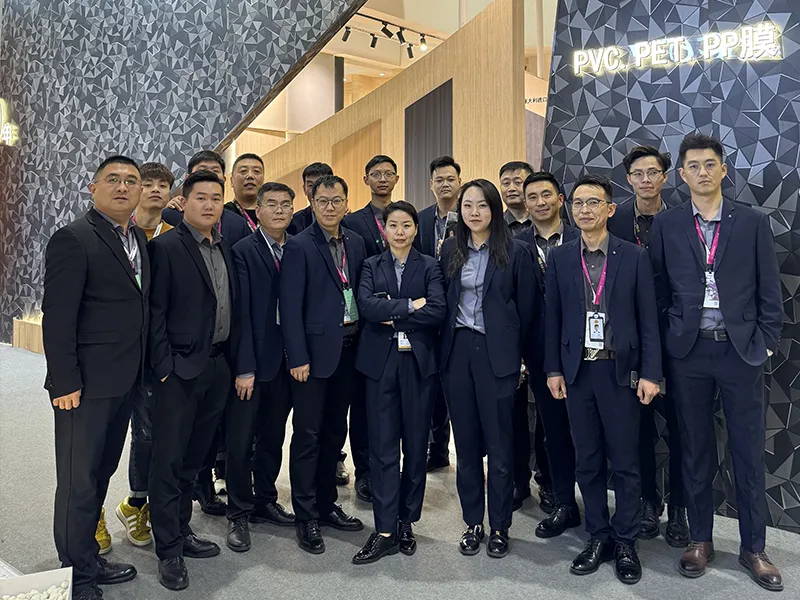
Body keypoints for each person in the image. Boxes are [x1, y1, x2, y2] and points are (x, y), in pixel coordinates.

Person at [650, 133, 783, 592]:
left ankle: (754, 548)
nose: (702, 172)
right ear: (681, 174)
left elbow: (770, 289)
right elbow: (658, 289)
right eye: (693, 165)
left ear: (723, 169)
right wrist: (667, 343)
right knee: (695, 449)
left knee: (747, 451)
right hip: (688, 353)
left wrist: (766, 344)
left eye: (710, 164)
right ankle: (700, 540)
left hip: (740, 351)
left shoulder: (752, 222)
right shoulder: (667, 225)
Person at [545, 174, 662, 585]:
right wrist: (553, 368)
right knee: (588, 458)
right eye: (578, 203)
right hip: (578, 372)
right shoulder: (560, 258)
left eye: (593, 202)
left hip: (620, 372)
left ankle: (626, 539)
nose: (585, 210)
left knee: (626, 460)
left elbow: (649, 320)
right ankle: (598, 534)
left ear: (610, 209)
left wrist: (651, 373)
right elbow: (553, 317)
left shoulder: (633, 256)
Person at [42, 155, 146, 600]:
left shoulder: (137, 238)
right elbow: (58, 317)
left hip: (124, 380)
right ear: (93, 188)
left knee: (101, 473)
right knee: (78, 483)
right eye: (113, 179)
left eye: (131, 180)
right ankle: (77, 578)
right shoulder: (74, 238)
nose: (123, 187)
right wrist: (64, 380)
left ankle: (87, 556)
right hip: (83, 387)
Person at [147, 170, 237, 591]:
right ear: (184, 202)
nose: (209, 204)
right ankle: (167, 549)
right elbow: (154, 313)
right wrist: (164, 367)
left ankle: (182, 529)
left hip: (216, 367)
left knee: (194, 458)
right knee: (168, 461)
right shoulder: (165, 247)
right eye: (201, 197)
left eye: (216, 198)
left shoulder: (225, 247)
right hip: (178, 371)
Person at [440, 179, 537, 558]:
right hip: (458, 353)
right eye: (467, 205)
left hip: (498, 355)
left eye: (482, 205)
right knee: (465, 447)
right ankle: (472, 523)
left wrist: (522, 359)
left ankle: (499, 526)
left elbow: (528, 312)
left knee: (499, 446)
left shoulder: (516, 251)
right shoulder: (450, 249)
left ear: (494, 209)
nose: (474, 212)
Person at [352, 202, 447, 564]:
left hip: (418, 364)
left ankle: (407, 520)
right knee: (383, 448)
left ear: (415, 229)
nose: (400, 232)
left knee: (417, 446)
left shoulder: (431, 266)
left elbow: (437, 309)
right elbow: (367, 307)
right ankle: (384, 529)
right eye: (393, 225)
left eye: (406, 225)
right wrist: (410, 306)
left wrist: (391, 309)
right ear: (384, 230)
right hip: (380, 365)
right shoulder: (370, 265)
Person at [280, 175, 367, 554]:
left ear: (347, 203)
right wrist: (297, 356)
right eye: (323, 201)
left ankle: (327, 503)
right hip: (312, 358)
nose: (330, 207)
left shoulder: (356, 242)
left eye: (337, 200)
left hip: (348, 352)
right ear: (312, 204)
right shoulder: (299, 245)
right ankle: (306, 515)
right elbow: (289, 307)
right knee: (308, 435)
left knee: (334, 433)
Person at [609, 145, 688, 546]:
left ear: (665, 177)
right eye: (638, 174)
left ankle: (680, 508)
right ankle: (647, 502)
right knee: (636, 427)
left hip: (677, 338)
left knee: (682, 427)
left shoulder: (683, 220)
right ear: (628, 180)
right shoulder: (614, 220)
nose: (645, 180)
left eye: (653, 172)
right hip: (631, 339)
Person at [225, 182, 296, 553]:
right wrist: (245, 367)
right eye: (272, 204)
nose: (279, 211)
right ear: (259, 211)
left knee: (272, 436)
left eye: (286, 204)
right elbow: (241, 315)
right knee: (241, 441)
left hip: (287, 362)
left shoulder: (297, 247)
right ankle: (238, 511)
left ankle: (265, 499)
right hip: (252, 364)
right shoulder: (243, 250)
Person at [108, 162, 174, 553]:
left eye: (162, 185)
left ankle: (136, 503)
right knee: (102, 436)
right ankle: (91, 511)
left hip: (155, 354)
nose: (154, 190)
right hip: (115, 354)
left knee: (147, 433)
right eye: (146, 184)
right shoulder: (118, 233)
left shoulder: (174, 234)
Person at [517, 171, 581, 538]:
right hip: (540, 353)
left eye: (546, 195)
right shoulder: (515, 246)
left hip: (585, 350)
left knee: (589, 429)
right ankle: (563, 501)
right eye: (533, 197)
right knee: (553, 428)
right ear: (525, 205)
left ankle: (598, 503)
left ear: (560, 199)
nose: (540, 202)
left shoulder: (582, 237)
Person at [498, 160, 549, 515]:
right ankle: (518, 479)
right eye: (507, 182)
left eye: (520, 181)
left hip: (549, 336)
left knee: (548, 415)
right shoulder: (495, 229)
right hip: (512, 336)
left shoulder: (560, 229)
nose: (513, 188)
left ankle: (547, 479)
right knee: (513, 414)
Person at [415, 155, 463, 473]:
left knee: (456, 383)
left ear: (460, 182)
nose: (445, 184)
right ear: (431, 184)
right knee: (431, 383)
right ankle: (437, 448)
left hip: (460, 312)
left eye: (450, 179)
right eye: (439, 180)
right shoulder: (420, 219)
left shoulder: (471, 216)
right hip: (428, 310)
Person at [162, 150, 251, 252]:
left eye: (215, 171)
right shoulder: (170, 216)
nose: (208, 174)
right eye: (202, 170)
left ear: (224, 179)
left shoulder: (238, 224)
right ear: (187, 178)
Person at [287, 162, 335, 236]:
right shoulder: (293, 223)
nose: (314, 190)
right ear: (304, 189)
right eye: (310, 185)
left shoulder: (346, 220)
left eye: (320, 185)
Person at [224, 153, 265, 231]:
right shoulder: (222, 215)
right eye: (243, 171)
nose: (250, 176)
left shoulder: (272, 214)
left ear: (263, 180)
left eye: (256, 171)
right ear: (232, 181)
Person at [499, 161, 534, 235]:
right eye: (506, 183)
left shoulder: (543, 221)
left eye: (518, 182)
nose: (511, 188)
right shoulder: (495, 225)